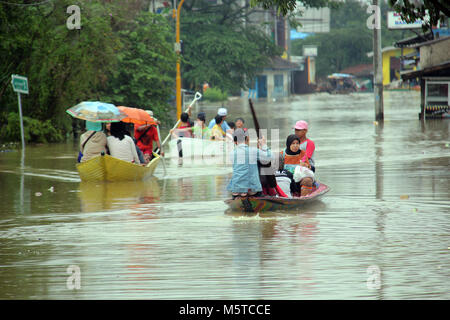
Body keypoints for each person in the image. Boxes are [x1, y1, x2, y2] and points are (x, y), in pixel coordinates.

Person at [227, 128, 272, 199]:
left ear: (234, 142)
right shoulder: (253, 151)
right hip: (252, 190)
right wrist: (264, 144)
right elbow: (269, 157)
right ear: (247, 138)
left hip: (236, 190)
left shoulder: (232, 154)